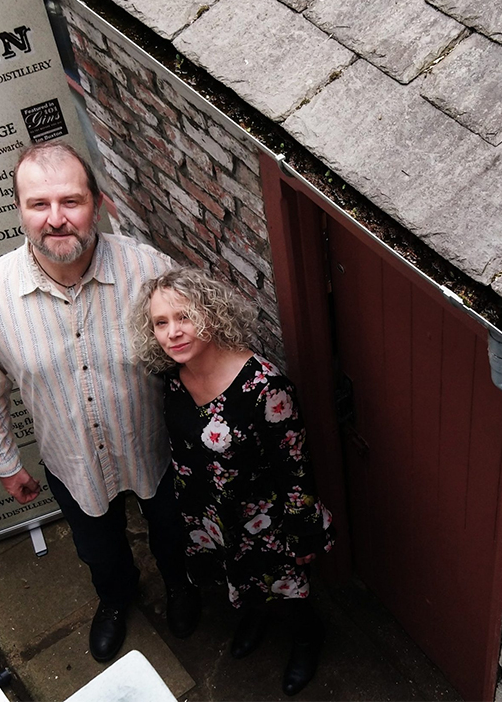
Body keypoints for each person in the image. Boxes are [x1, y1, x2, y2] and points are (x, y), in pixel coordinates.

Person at [0, 142, 200, 664]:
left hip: (154, 448)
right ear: (20, 210)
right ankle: (116, 600)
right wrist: (5, 464)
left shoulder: (150, 272)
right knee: (98, 551)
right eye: (38, 205)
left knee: (175, 533)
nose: (56, 219)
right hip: (71, 459)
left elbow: (199, 348)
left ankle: (181, 586)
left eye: (71, 201)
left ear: (99, 202)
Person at [133, 267, 335, 696]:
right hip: (209, 514)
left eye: (183, 317)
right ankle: (256, 618)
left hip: (263, 521)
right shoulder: (172, 376)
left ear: (212, 314)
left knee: (288, 591)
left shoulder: (265, 386)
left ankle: (306, 637)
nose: (172, 333)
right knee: (239, 583)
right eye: (161, 323)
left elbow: (295, 467)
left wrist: (302, 535)